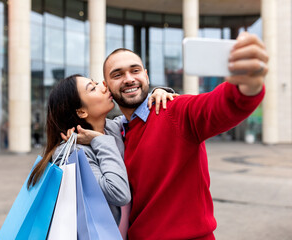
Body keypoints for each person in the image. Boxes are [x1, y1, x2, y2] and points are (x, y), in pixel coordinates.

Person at [99, 32, 268, 239]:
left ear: (146, 76)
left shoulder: (175, 111)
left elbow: (222, 105)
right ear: (106, 87)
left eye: (135, 70)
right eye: (117, 74)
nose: (129, 79)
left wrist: (248, 85)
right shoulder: (117, 133)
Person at [26, 74, 176, 233]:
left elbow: (144, 111)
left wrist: (159, 92)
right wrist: (100, 140)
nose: (103, 86)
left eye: (96, 83)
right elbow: (118, 193)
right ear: (82, 112)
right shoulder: (74, 152)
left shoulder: (114, 127)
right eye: (92, 88)